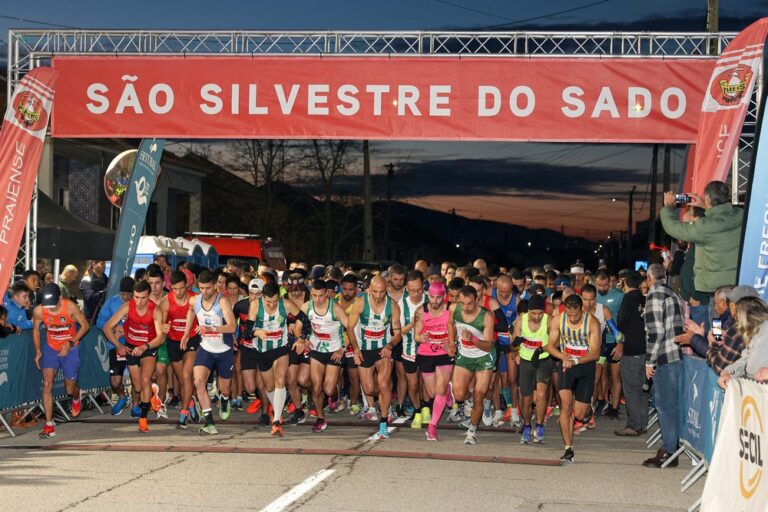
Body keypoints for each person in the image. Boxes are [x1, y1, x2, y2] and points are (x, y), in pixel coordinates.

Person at [545, 294, 601, 463]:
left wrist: (575, 360)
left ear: (581, 309)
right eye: (569, 315)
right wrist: (563, 357)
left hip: (585, 365)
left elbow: (595, 353)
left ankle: (588, 413)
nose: (573, 319)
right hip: (566, 366)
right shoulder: (558, 320)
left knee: (579, 413)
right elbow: (549, 346)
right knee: (566, 406)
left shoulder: (592, 322)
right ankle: (568, 448)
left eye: (576, 315)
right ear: (565, 310)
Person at [103, 280, 165, 433]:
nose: (139, 302)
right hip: (131, 348)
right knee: (137, 387)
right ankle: (153, 391)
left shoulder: (155, 310)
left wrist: (146, 346)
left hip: (147, 348)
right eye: (136, 297)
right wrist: (119, 345)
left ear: (148, 295)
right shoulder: (127, 307)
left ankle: (143, 420)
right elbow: (107, 327)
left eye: (143, 298)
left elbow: (161, 337)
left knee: (144, 380)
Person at [660, 182, 743, 295]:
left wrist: (668, 207)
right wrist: (705, 205)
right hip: (738, 282)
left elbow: (673, 228)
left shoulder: (705, 227)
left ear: (708, 198)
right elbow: (721, 215)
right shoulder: (740, 214)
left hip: (717, 289)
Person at [182, 270, 237, 435]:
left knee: (225, 388)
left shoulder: (223, 302)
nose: (204, 292)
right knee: (198, 381)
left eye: (207, 288)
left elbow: (232, 327)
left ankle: (225, 399)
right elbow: (191, 311)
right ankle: (210, 423)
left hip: (224, 349)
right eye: (201, 288)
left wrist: (211, 328)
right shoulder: (195, 300)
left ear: (215, 286)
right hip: (206, 348)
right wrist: (186, 333)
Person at [247, 282, 304, 436]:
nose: (272, 305)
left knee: (280, 381)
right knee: (270, 387)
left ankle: (277, 421)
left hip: (281, 348)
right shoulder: (255, 305)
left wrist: (301, 339)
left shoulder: (285, 304)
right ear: (262, 297)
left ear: (279, 297)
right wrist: (256, 333)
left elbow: (305, 321)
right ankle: (277, 410)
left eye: (274, 301)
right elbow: (245, 333)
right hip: (262, 350)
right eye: (268, 302)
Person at [32, 283, 90, 438]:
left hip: (70, 347)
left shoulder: (70, 307)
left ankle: (77, 395)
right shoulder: (39, 310)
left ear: (60, 298)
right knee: (47, 384)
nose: (50, 309)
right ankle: (49, 424)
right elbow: (36, 331)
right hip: (51, 347)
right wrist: (38, 350)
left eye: (53, 306)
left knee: (69, 390)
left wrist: (71, 342)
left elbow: (85, 326)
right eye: (47, 306)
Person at [643, 263, 686, 468]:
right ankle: (670, 448)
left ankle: (669, 451)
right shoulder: (674, 294)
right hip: (676, 355)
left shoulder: (654, 295)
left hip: (664, 358)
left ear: (650, 278)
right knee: (672, 405)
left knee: (665, 406)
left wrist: (649, 361)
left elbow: (655, 332)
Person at [349, 276, 401, 438]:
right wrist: (356, 349)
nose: (379, 295)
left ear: (386, 290)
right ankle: (386, 396)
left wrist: (390, 346)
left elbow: (398, 332)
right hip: (364, 349)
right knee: (370, 389)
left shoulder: (392, 306)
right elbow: (350, 328)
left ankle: (383, 422)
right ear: (369, 290)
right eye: (375, 292)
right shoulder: (360, 302)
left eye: (382, 292)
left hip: (382, 350)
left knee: (384, 384)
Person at [296, 279, 350, 433]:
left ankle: (335, 392)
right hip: (316, 350)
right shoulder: (307, 306)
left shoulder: (336, 308)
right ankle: (321, 418)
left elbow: (351, 329)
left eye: (320, 296)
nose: (317, 299)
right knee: (316, 386)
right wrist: (302, 339)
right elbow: (298, 327)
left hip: (334, 350)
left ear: (327, 293)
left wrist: (343, 348)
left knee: (327, 389)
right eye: (314, 295)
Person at [449, 285, 495, 445]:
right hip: (464, 355)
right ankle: (467, 402)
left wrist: (473, 339)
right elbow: (450, 324)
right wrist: (451, 343)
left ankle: (472, 431)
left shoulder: (486, 316)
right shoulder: (454, 308)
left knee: (478, 396)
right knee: (459, 395)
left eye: (469, 303)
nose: (465, 307)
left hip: (483, 357)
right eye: (462, 303)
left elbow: (489, 345)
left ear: (477, 300)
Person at [413, 281, 454, 441]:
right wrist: (419, 337)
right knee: (431, 393)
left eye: (439, 298)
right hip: (426, 353)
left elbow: (459, 329)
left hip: (444, 353)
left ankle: (432, 427)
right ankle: (448, 393)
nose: (435, 301)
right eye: (432, 297)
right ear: (427, 295)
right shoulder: (421, 311)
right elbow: (416, 334)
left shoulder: (451, 309)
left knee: (440, 391)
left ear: (444, 296)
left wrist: (452, 342)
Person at [159, 271, 199, 429]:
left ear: (186, 286)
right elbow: (159, 325)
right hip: (174, 342)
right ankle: (190, 402)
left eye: (181, 288)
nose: (178, 292)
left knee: (186, 375)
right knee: (183, 381)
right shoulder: (165, 302)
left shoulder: (195, 298)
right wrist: (163, 326)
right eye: (174, 289)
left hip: (192, 340)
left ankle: (183, 414)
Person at [512, 294, 552, 444]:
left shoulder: (549, 321)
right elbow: (514, 342)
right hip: (526, 361)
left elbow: (555, 342)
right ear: (529, 311)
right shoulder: (521, 320)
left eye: (540, 313)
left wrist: (543, 349)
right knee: (526, 398)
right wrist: (515, 346)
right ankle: (527, 425)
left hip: (543, 360)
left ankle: (540, 426)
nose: (537, 317)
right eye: (534, 313)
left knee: (541, 394)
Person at [614, 271, 648, 437]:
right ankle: (643, 422)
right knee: (642, 388)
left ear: (625, 283)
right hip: (645, 349)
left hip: (631, 349)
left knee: (631, 389)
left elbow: (621, 322)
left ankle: (634, 425)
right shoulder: (644, 298)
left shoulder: (627, 299)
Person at [96, 276, 136, 416]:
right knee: (115, 381)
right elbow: (100, 322)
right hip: (115, 346)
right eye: (123, 294)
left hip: (134, 345)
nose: (126, 297)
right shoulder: (111, 302)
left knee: (136, 379)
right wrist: (113, 330)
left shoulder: (138, 303)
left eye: (129, 294)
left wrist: (125, 331)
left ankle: (136, 405)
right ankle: (122, 397)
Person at [707, 285, 758, 374]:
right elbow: (718, 339)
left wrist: (696, 338)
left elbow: (717, 345)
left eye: (716, 302)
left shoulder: (732, 323)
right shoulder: (719, 320)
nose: (714, 306)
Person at [718, 297, 768, 386]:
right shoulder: (754, 333)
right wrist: (728, 372)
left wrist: (713, 344)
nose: (737, 323)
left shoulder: (764, 330)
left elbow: (720, 363)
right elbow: (745, 360)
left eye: (737, 318)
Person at [398, 271, 427, 426]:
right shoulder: (401, 304)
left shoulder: (431, 299)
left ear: (423, 286)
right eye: (412, 290)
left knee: (427, 385)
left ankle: (426, 409)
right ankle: (417, 411)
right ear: (406, 289)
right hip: (409, 350)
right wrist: (413, 323)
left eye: (419, 290)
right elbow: (398, 331)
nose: (416, 294)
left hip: (430, 350)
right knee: (413, 385)